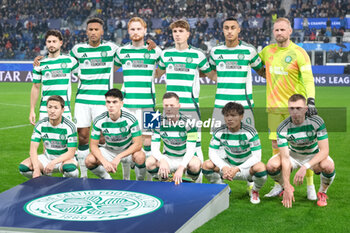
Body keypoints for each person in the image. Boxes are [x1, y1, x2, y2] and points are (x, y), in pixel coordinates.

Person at [259, 17, 318, 199]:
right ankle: (280, 185)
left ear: (290, 31)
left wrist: (311, 101)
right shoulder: (267, 51)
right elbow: (256, 65)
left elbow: (308, 79)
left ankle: (310, 187)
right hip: (274, 109)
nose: (279, 33)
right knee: (277, 147)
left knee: (303, 147)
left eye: (283, 30)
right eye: (276, 30)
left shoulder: (299, 52)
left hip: (296, 109)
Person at [155, 20, 217, 182]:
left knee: (195, 144)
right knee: (168, 140)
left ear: (188, 34)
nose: (177, 34)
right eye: (175, 31)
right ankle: (165, 175)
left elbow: (211, 75)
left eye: (181, 31)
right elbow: (156, 73)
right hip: (169, 108)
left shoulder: (197, 55)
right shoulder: (166, 54)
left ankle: (199, 181)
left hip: (190, 107)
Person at [69, 18, 119, 178]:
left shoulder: (111, 48)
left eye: (96, 29)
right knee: (82, 136)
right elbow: (65, 61)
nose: (93, 32)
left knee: (102, 137)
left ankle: (104, 174)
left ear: (102, 32)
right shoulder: (78, 49)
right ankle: (83, 175)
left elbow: (129, 52)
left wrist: (149, 47)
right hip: (82, 100)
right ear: (86, 31)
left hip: (102, 101)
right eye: (90, 29)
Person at [266, 94, 335, 207]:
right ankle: (285, 188)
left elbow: (324, 151)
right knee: (271, 166)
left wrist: (305, 166)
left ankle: (322, 192)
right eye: (292, 108)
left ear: (306, 109)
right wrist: (287, 186)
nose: (295, 111)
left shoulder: (317, 122)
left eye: (299, 108)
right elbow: (285, 158)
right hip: (294, 155)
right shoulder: (282, 128)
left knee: (328, 166)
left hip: (313, 154)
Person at [114, 17, 161, 181]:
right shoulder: (121, 52)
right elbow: (108, 70)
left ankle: (147, 181)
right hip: (127, 105)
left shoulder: (155, 51)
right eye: (132, 29)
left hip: (149, 105)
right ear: (128, 31)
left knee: (148, 142)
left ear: (145, 31)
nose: (135, 32)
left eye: (138, 29)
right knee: (126, 142)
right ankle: (126, 179)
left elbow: (162, 69)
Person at [202, 102, 267, 204]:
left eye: (233, 115)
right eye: (227, 115)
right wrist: (224, 167)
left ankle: (254, 190)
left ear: (241, 116)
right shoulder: (219, 131)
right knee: (206, 165)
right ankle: (222, 188)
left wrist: (237, 169)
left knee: (261, 168)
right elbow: (212, 153)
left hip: (245, 169)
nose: (229, 119)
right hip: (228, 167)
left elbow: (257, 157)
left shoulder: (250, 132)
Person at [209, 17, 265, 129]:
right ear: (223, 30)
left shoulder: (249, 50)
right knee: (218, 142)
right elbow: (210, 72)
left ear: (238, 30)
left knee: (245, 141)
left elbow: (261, 71)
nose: (229, 31)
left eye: (233, 28)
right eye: (226, 28)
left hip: (243, 105)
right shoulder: (215, 52)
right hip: (220, 105)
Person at [85, 88, 146, 180]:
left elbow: (138, 144)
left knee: (140, 157)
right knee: (89, 160)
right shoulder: (99, 120)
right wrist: (104, 162)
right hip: (110, 150)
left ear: (121, 103)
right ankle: (107, 179)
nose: (111, 105)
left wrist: (119, 157)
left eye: (114, 102)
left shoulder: (131, 118)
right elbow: (93, 145)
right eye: (108, 102)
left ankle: (139, 182)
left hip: (127, 150)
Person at [146, 92, 201, 185]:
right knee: (149, 162)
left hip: (185, 158)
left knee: (195, 165)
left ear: (179, 106)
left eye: (172, 105)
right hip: (168, 158)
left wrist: (181, 167)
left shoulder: (190, 123)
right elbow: (154, 148)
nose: (169, 108)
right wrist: (162, 160)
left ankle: (187, 182)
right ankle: (165, 179)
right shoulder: (157, 121)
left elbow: (191, 150)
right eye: (166, 105)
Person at [19, 95, 79, 178]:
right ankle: (44, 180)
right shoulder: (40, 124)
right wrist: (36, 169)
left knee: (70, 170)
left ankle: (67, 185)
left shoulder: (70, 126)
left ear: (62, 110)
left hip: (64, 160)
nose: (52, 111)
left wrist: (53, 162)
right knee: (24, 168)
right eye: (49, 107)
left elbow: (71, 153)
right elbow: (33, 149)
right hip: (47, 158)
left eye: (56, 108)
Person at [29, 30, 78, 125]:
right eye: (49, 42)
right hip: (45, 110)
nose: (51, 44)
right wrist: (32, 110)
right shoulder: (39, 64)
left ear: (60, 43)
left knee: (66, 139)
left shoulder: (70, 61)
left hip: (64, 109)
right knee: (46, 139)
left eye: (54, 41)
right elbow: (35, 87)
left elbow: (84, 75)